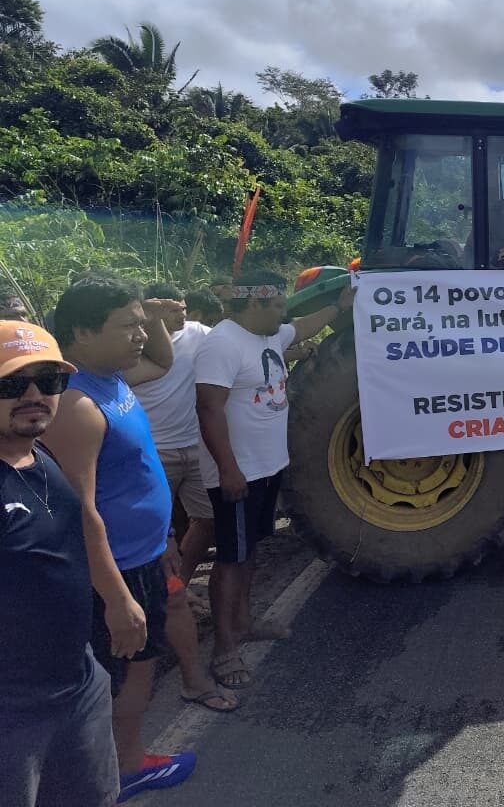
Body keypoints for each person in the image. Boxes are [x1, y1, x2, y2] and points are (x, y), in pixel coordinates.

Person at [40, 276, 198, 800]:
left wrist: (164, 537)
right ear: (83, 333)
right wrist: (116, 598)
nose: (141, 335)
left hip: (143, 556)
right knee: (129, 674)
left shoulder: (112, 377)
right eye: (127, 326)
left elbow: (163, 361)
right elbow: (79, 512)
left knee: (135, 669)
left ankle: (110, 764)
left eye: (140, 325)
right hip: (118, 571)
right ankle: (124, 767)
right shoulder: (77, 405)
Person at [195, 269, 353, 690]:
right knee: (231, 559)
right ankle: (224, 649)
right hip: (238, 472)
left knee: (249, 552)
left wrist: (338, 306)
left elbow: (301, 327)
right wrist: (228, 469)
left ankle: (244, 622)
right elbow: (209, 409)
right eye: (278, 305)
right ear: (253, 303)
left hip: (267, 467)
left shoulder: (267, 336)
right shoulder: (223, 344)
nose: (284, 314)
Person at [0, 322, 119, 807]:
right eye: (12, 384)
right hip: (14, 715)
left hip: (78, 684)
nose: (34, 395)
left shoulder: (38, 453)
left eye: (49, 380)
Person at [130, 283, 236, 713]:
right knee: (160, 538)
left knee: (207, 521)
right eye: (169, 309)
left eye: (182, 308)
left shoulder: (200, 335)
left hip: (196, 447)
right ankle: (164, 602)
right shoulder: (134, 348)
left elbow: (236, 350)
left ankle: (180, 586)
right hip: (154, 453)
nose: (180, 315)